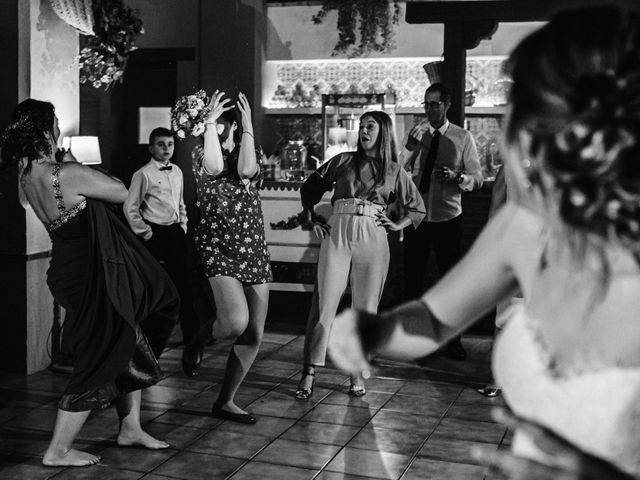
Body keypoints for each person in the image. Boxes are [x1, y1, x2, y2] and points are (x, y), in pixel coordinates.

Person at [328, 5, 640, 478]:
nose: (521, 135)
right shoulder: (524, 224)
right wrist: (373, 332)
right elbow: (433, 320)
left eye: (540, 114)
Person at [1, 99, 178, 467]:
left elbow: (33, 205)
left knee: (127, 338)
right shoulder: (64, 172)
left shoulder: (25, 176)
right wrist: (75, 165)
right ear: (46, 129)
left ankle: (130, 428)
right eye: (55, 123)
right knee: (104, 352)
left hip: (67, 268)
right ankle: (58, 450)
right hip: (95, 274)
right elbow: (121, 191)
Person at [295, 111, 425, 400]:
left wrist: (397, 223)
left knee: (365, 308)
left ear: (383, 132)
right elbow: (309, 189)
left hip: (373, 233)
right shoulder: (342, 160)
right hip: (339, 228)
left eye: (371, 126)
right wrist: (311, 217)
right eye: (362, 126)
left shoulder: (393, 169)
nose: (364, 130)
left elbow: (417, 207)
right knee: (324, 302)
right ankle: (309, 372)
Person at [192, 91, 271, 424]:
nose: (227, 130)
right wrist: (210, 123)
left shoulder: (250, 154)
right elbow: (214, 167)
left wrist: (249, 124)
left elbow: (247, 169)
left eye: (230, 124)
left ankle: (225, 401)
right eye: (219, 125)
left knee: (252, 332)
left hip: (252, 246)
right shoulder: (202, 156)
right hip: (218, 246)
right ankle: (199, 336)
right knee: (235, 323)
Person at [402, 82, 484, 361]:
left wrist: (458, 178)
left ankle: (453, 340)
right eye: (425, 104)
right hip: (417, 217)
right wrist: (408, 148)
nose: (429, 110)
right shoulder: (416, 136)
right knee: (411, 281)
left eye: (434, 104)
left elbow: (478, 179)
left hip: (448, 218)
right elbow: (395, 173)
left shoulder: (463, 138)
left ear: (446, 105)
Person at [123, 127, 201, 377]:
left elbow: (181, 203)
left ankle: (192, 349)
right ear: (151, 148)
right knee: (156, 293)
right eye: (160, 144)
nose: (167, 148)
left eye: (170, 143)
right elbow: (130, 207)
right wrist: (146, 233)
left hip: (175, 234)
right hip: (154, 237)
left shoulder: (177, 171)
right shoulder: (142, 174)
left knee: (186, 292)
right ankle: (147, 354)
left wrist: (183, 225)